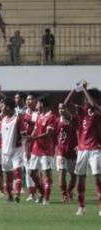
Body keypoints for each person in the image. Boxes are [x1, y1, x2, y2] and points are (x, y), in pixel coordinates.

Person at [64, 80, 101, 216]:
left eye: (87, 97)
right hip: (82, 149)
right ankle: (81, 206)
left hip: (95, 149)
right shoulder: (82, 111)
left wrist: (85, 89)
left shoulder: (98, 111)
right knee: (81, 178)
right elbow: (65, 105)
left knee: (97, 177)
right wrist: (75, 89)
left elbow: (93, 105)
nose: (85, 100)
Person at [27, 95, 56, 205]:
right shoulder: (39, 116)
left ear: (42, 104)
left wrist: (33, 138)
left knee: (46, 174)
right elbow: (35, 129)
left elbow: (48, 134)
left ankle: (46, 199)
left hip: (46, 150)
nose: (36, 105)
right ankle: (42, 193)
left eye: (37, 103)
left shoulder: (51, 117)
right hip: (36, 148)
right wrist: (30, 138)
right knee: (31, 172)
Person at [0, 98, 25, 203]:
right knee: (7, 175)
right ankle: (10, 196)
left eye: (2, 106)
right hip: (5, 151)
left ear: (8, 107)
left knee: (17, 171)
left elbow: (24, 135)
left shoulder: (18, 119)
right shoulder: (3, 120)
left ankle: (17, 193)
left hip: (16, 150)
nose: (1, 108)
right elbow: (2, 136)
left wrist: (26, 149)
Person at [55, 103, 77, 203]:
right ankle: (64, 194)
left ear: (67, 109)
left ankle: (69, 190)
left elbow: (78, 130)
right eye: (59, 108)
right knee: (62, 172)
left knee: (73, 175)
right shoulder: (56, 121)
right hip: (61, 151)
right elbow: (54, 135)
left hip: (73, 151)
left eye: (63, 108)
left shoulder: (73, 119)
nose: (61, 110)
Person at [22, 92, 38, 201]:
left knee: (36, 170)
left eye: (31, 99)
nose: (28, 101)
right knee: (27, 169)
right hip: (26, 144)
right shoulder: (24, 113)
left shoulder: (38, 113)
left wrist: (24, 119)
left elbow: (35, 124)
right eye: (27, 99)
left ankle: (40, 191)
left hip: (36, 144)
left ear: (36, 101)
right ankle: (31, 193)